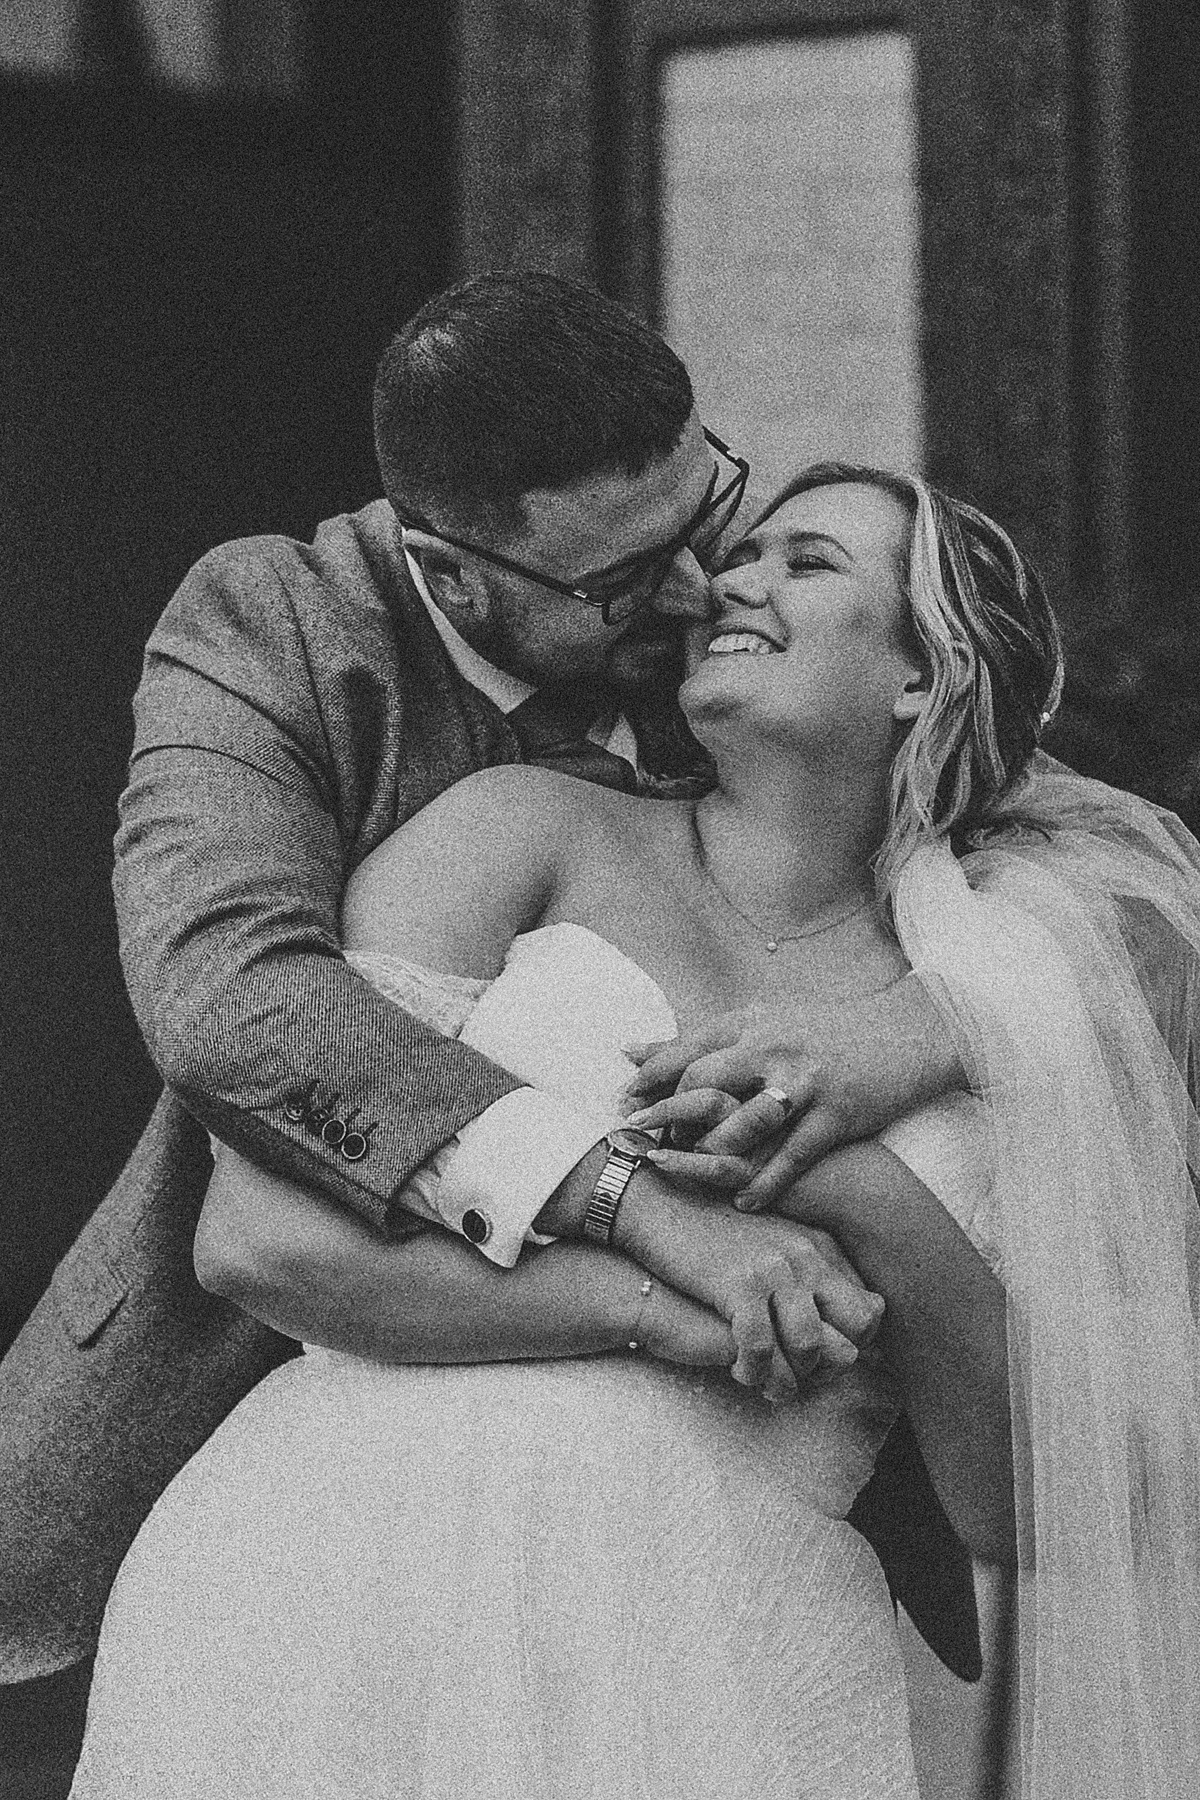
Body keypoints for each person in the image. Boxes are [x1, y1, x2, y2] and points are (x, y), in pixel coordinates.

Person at [70, 463, 1200, 1800]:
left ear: (920, 675)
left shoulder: (1004, 973)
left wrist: (865, 1185)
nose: (735, 578)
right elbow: (261, 1244)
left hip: (730, 1642)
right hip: (345, 1568)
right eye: (743, 553)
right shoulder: (520, 831)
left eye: (810, 560)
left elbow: (1022, 1507)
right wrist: (671, 1297)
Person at [0, 275, 979, 1688]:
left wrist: (907, 1034)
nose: (704, 589)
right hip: (282, 1415)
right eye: (628, 580)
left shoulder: (737, 641)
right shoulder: (276, 623)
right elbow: (231, 998)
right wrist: (629, 1205)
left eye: (709, 512)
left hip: (732, 1507)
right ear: (448, 569)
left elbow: (1127, 883)